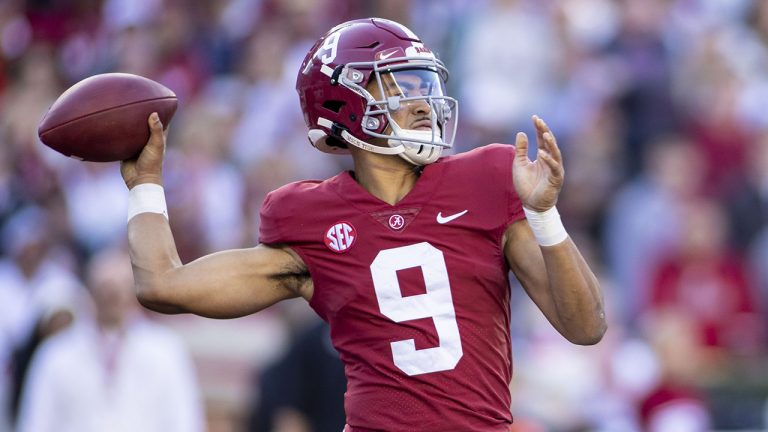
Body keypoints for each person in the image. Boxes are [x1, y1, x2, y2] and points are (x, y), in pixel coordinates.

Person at [121, 18, 606, 431]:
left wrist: (544, 214)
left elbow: (586, 327)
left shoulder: (487, 179)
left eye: (426, 86)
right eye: (402, 86)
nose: (424, 103)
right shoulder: (311, 218)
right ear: (342, 102)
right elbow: (162, 285)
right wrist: (146, 184)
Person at [16, 247, 204, 432]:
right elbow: (36, 422)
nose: (111, 298)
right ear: (90, 292)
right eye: (104, 289)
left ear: (134, 294)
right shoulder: (56, 353)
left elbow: (184, 420)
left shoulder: (167, 350)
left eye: (119, 290)